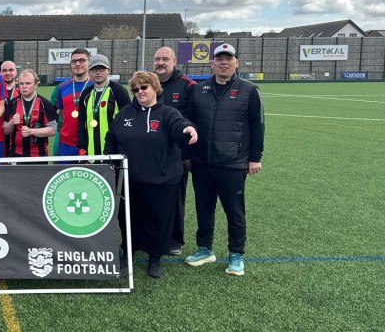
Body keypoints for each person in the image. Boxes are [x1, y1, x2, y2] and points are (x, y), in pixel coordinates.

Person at [105, 72, 198, 278]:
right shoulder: (125, 113)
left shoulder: (168, 113)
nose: (139, 92)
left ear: (155, 88)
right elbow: (111, 137)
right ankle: (127, 251)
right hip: (130, 180)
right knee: (129, 219)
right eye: (135, 89)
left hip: (162, 180)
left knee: (158, 220)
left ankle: (155, 258)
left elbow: (179, 125)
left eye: (144, 87)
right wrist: (109, 160)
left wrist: (188, 129)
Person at [184, 43, 265, 276]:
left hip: (233, 163)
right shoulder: (199, 89)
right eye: (219, 58)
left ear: (236, 62)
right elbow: (189, 123)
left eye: (228, 58)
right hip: (201, 162)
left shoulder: (249, 90)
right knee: (203, 208)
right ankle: (205, 248)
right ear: (212, 63)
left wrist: (254, 158)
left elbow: (257, 125)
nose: (223, 62)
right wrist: (188, 156)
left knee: (234, 211)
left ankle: (236, 254)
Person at [153, 46, 197, 256]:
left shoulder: (188, 85)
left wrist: (188, 155)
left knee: (175, 198)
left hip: (177, 156)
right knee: (150, 196)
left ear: (174, 62)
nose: (160, 63)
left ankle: (174, 240)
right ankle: (150, 236)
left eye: (165, 59)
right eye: (157, 59)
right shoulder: (148, 84)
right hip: (150, 153)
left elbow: (196, 122)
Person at [76, 54, 131, 156]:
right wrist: (81, 145)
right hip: (90, 151)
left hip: (114, 151)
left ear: (108, 70)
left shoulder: (118, 91)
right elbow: (81, 122)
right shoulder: (86, 93)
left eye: (101, 69)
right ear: (89, 72)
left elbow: (129, 120)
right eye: (94, 69)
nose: (97, 72)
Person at [3, 70, 57, 158]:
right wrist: (11, 122)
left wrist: (31, 131)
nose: (24, 86)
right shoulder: (12, 103)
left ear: (35, 84)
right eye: (21, 83)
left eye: (28, 83)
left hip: (39, 154)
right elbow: (6, 131)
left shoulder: (45, 103)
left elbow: (52, 130)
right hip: (16, 153)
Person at [50, 47, 91, 157]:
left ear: (89, 63)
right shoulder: (61, 88)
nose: (77, 64)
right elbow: (60, 112)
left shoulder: (95, 86)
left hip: (89, 141)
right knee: (63, 173)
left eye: (82, 60)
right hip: (65, 143)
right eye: (74, 61)